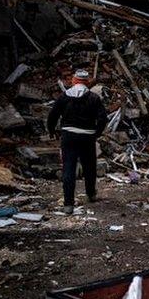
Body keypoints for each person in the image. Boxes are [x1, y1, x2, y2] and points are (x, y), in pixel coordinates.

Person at [47, 69, 108, 214]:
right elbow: (103, 119)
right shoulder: (94, 98)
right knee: (89, 165)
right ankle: (91, 194)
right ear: (87, 83)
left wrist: (51, 130)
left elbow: (53, 115)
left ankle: (68, 204)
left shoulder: (64, 97)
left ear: (74, 81)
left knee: (68, 167)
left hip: (69, 135)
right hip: (87, 136)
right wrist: (96, 133)